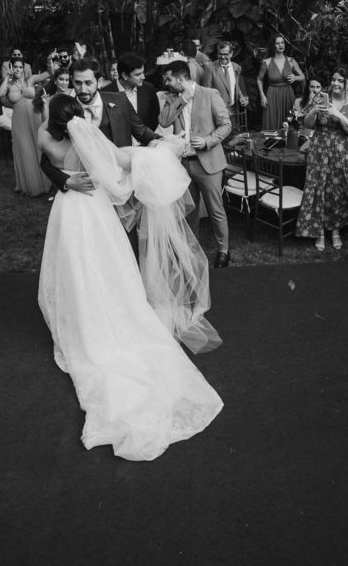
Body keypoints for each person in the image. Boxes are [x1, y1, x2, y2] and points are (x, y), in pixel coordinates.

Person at [36, 95, 223, 460]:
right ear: (74, 115)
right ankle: (105, 312)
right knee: (106, 266)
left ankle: (81, 314)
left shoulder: (44, 134)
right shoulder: (84, 134)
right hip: (92, 208)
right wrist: (156, 152)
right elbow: (117, 167)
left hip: (66, 208)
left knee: (73, 264)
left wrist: (63, 180)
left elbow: (46, 161)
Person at [39, 57, 160, 193]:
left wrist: (163, 142)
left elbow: (141, 132)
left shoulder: (119, 100)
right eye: (78, 83)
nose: (83, 89)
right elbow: (46, 157)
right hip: (88, 190)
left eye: (88, 83)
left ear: (100, 81)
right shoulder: (64, 109)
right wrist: (66, 181)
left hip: (122, 183)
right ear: (72, 80)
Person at [159, 60, 233, 268]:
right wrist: (181, 99)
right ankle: (190, 249)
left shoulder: (209, 94)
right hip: (183, 164)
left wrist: (208, 141)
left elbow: (226, 125)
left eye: (169, 79)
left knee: (215, 209)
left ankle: (223, 250)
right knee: (188, 210)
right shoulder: (173, 98)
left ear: (181, 78)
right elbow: (164, 121)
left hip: (207, 163)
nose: (166, 83)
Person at [297, 68, 348, 251]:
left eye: (340, 81)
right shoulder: (321, 96)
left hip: (344, 152)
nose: (335, 83)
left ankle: (335, 230)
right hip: (320, 149)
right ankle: (319, 230)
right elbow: (307, 124)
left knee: (338, 189)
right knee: (319, 187)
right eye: (334, 79)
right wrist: (313, 110)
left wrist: (337, 114)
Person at [0, 56, 53, 197]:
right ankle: (30, 186)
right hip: (19, 121)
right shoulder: (9, 85)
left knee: (37, 148)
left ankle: (44, 182)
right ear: (10, 68)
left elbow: (49, 73)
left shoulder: (31, 80)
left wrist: (49, 60)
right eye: (15, 67)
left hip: (34, 117)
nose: (17, 69)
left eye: (20, 67)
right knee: (24, 149)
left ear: (23, 68)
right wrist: (7, 78)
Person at [101, 53, 161, 133]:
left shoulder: (148, 89)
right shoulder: (105, 93)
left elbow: (154, 118)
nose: (143, 77)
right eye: (138, 74)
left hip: (145, 143)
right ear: (124, 75)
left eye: (143, 72)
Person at [257, 34, 305, 131]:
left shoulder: (291, 61)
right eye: (277, 43)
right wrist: (262, 96)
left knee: (289, 120)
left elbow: (303, 76)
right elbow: (259, 79)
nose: (281, 45)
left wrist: (295, 77)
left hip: (288, 94)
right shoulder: (266, 62)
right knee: (272, 122)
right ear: (273, 46)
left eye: (282, 43)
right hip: (272, 94)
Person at [201, 41, 249, 112]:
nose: (222, 57)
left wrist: (242, 98)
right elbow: (207, 92)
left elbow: (237, 86)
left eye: (225, 54)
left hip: (233, 111)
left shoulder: (237, 67)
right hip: (217, 111)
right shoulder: (210, 68)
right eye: (220, 54)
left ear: (231, 54)